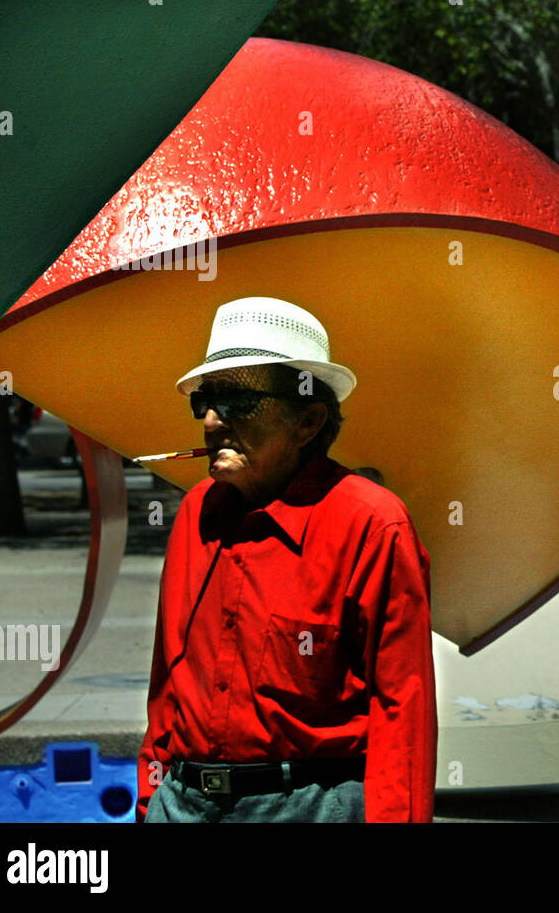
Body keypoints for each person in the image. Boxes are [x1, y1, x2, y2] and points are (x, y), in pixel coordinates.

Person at [136, 296, 436, 822]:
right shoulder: (195, 513)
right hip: (181, 802)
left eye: (236, 402)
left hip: (307, 804)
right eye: (204, 401)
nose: (210, 421)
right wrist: (149, 801)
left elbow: (402, 708)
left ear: (307, 420)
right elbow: (167, 682)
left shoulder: (370, 523)